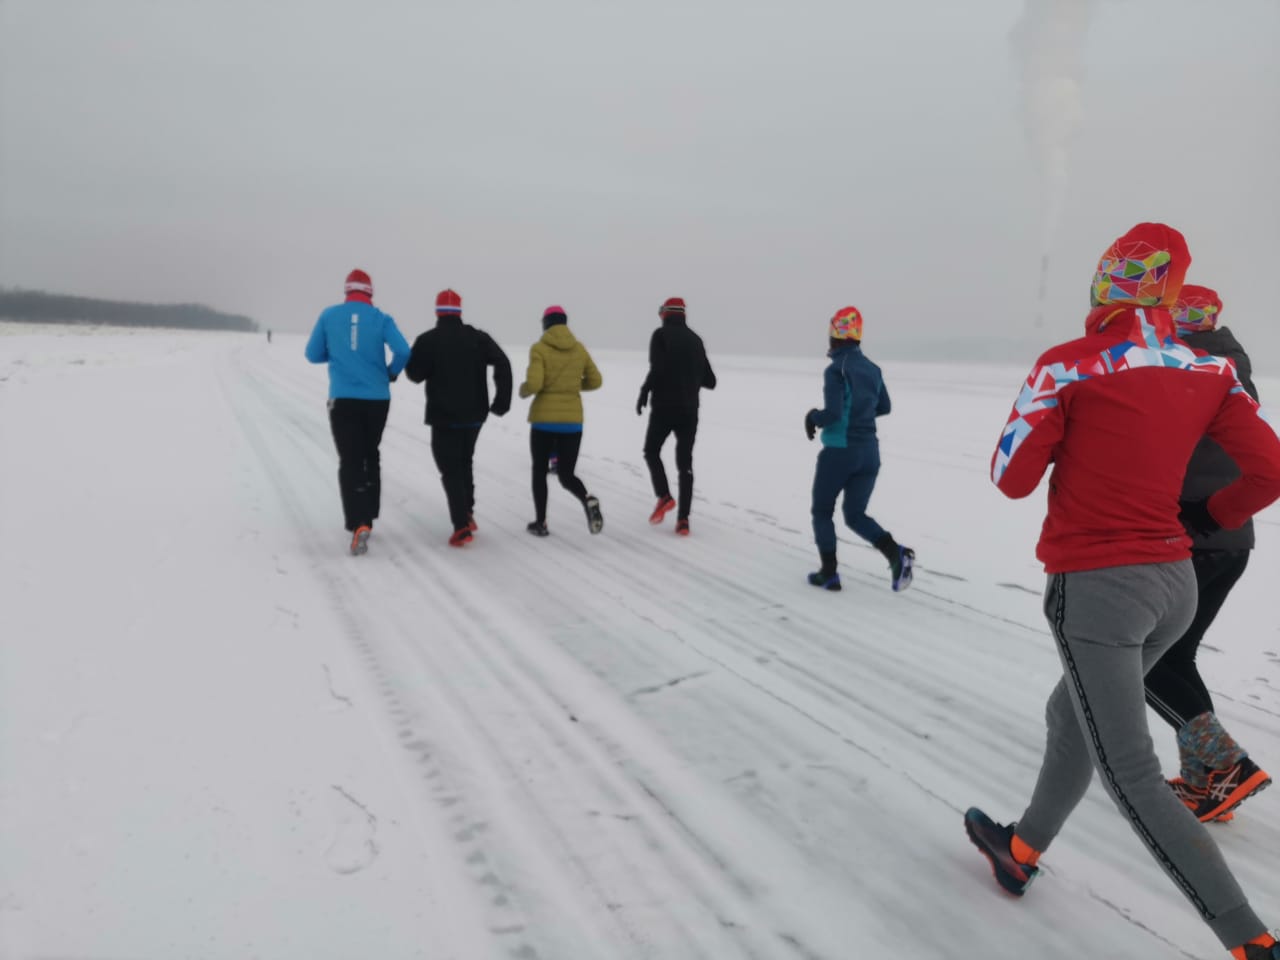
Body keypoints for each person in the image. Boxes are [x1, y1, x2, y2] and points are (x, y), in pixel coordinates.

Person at [966, 223, 1280, 960]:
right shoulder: (1211, 371)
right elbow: (1270, 470)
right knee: (1067, 712)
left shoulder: (1067, 366)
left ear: (1105, 282)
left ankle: (1252, 944)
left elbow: (1009, 478)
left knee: (1130, 775)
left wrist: (1056, 417)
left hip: (1099, 591)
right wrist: (1209, 515)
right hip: (1177, 583)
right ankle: (1020, 848)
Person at [1145, 283, 1271, 822]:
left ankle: (1227, 767)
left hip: (1191, 534)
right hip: (1231, 540)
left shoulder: (1188, 371)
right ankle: (1208, 784)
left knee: (1143, 662)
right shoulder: (1233, 367)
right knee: (1177, 656)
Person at [803, 306, 913, 592]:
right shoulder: (873, 369)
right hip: (870, 453)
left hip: (840, 452)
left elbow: (834, 414)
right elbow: (884, 406)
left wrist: (813, 417)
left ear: (836, 335)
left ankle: (829, 573)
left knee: (822, 510)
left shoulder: (836, 369)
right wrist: (862, 416)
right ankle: (894, 553)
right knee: (854, 514)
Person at [305, 268, 411, 555]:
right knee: (370, 452)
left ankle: (358, 521)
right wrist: (391, 373)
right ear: (370, 293)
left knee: (350, 459)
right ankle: (370, 513)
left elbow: (312, 354)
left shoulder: (329, 316)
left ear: (346, 291)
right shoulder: (381, 318)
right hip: (377, 399)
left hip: (343, 399)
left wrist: (339, 353)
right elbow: (403, 351)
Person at [404, 289, 513, 547]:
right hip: (475, 416)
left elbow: (414, 374)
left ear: (437, 311)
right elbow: (503, 362)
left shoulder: (428, 340)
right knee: (464, 462)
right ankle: (467, 513)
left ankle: (461, 525)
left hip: (444, 417)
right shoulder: (477, 337)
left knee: (450, 468)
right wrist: (501, 402)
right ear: (459, 311)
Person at [518, 305, 604, 537]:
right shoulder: (579, 349)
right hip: (572, 422)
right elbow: (596, 381)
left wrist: (524, 390)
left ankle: (541, 523)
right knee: (566, 475)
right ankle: (586, 499)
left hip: (544, 422)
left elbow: (535, 384)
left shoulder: (539, 349)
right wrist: (573, 387)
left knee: (539, 472)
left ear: (545, 324)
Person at [636, 296, 717, 536]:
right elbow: (710, 381)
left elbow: (657, 368)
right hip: (690, 410)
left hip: (663, 407)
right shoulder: (696, 340)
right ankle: (683, 520)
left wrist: (644, 391)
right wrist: (690, 376)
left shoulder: (660, 336)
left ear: (665, 314)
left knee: (651, 451)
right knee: (685, 464)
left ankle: (664, 496)